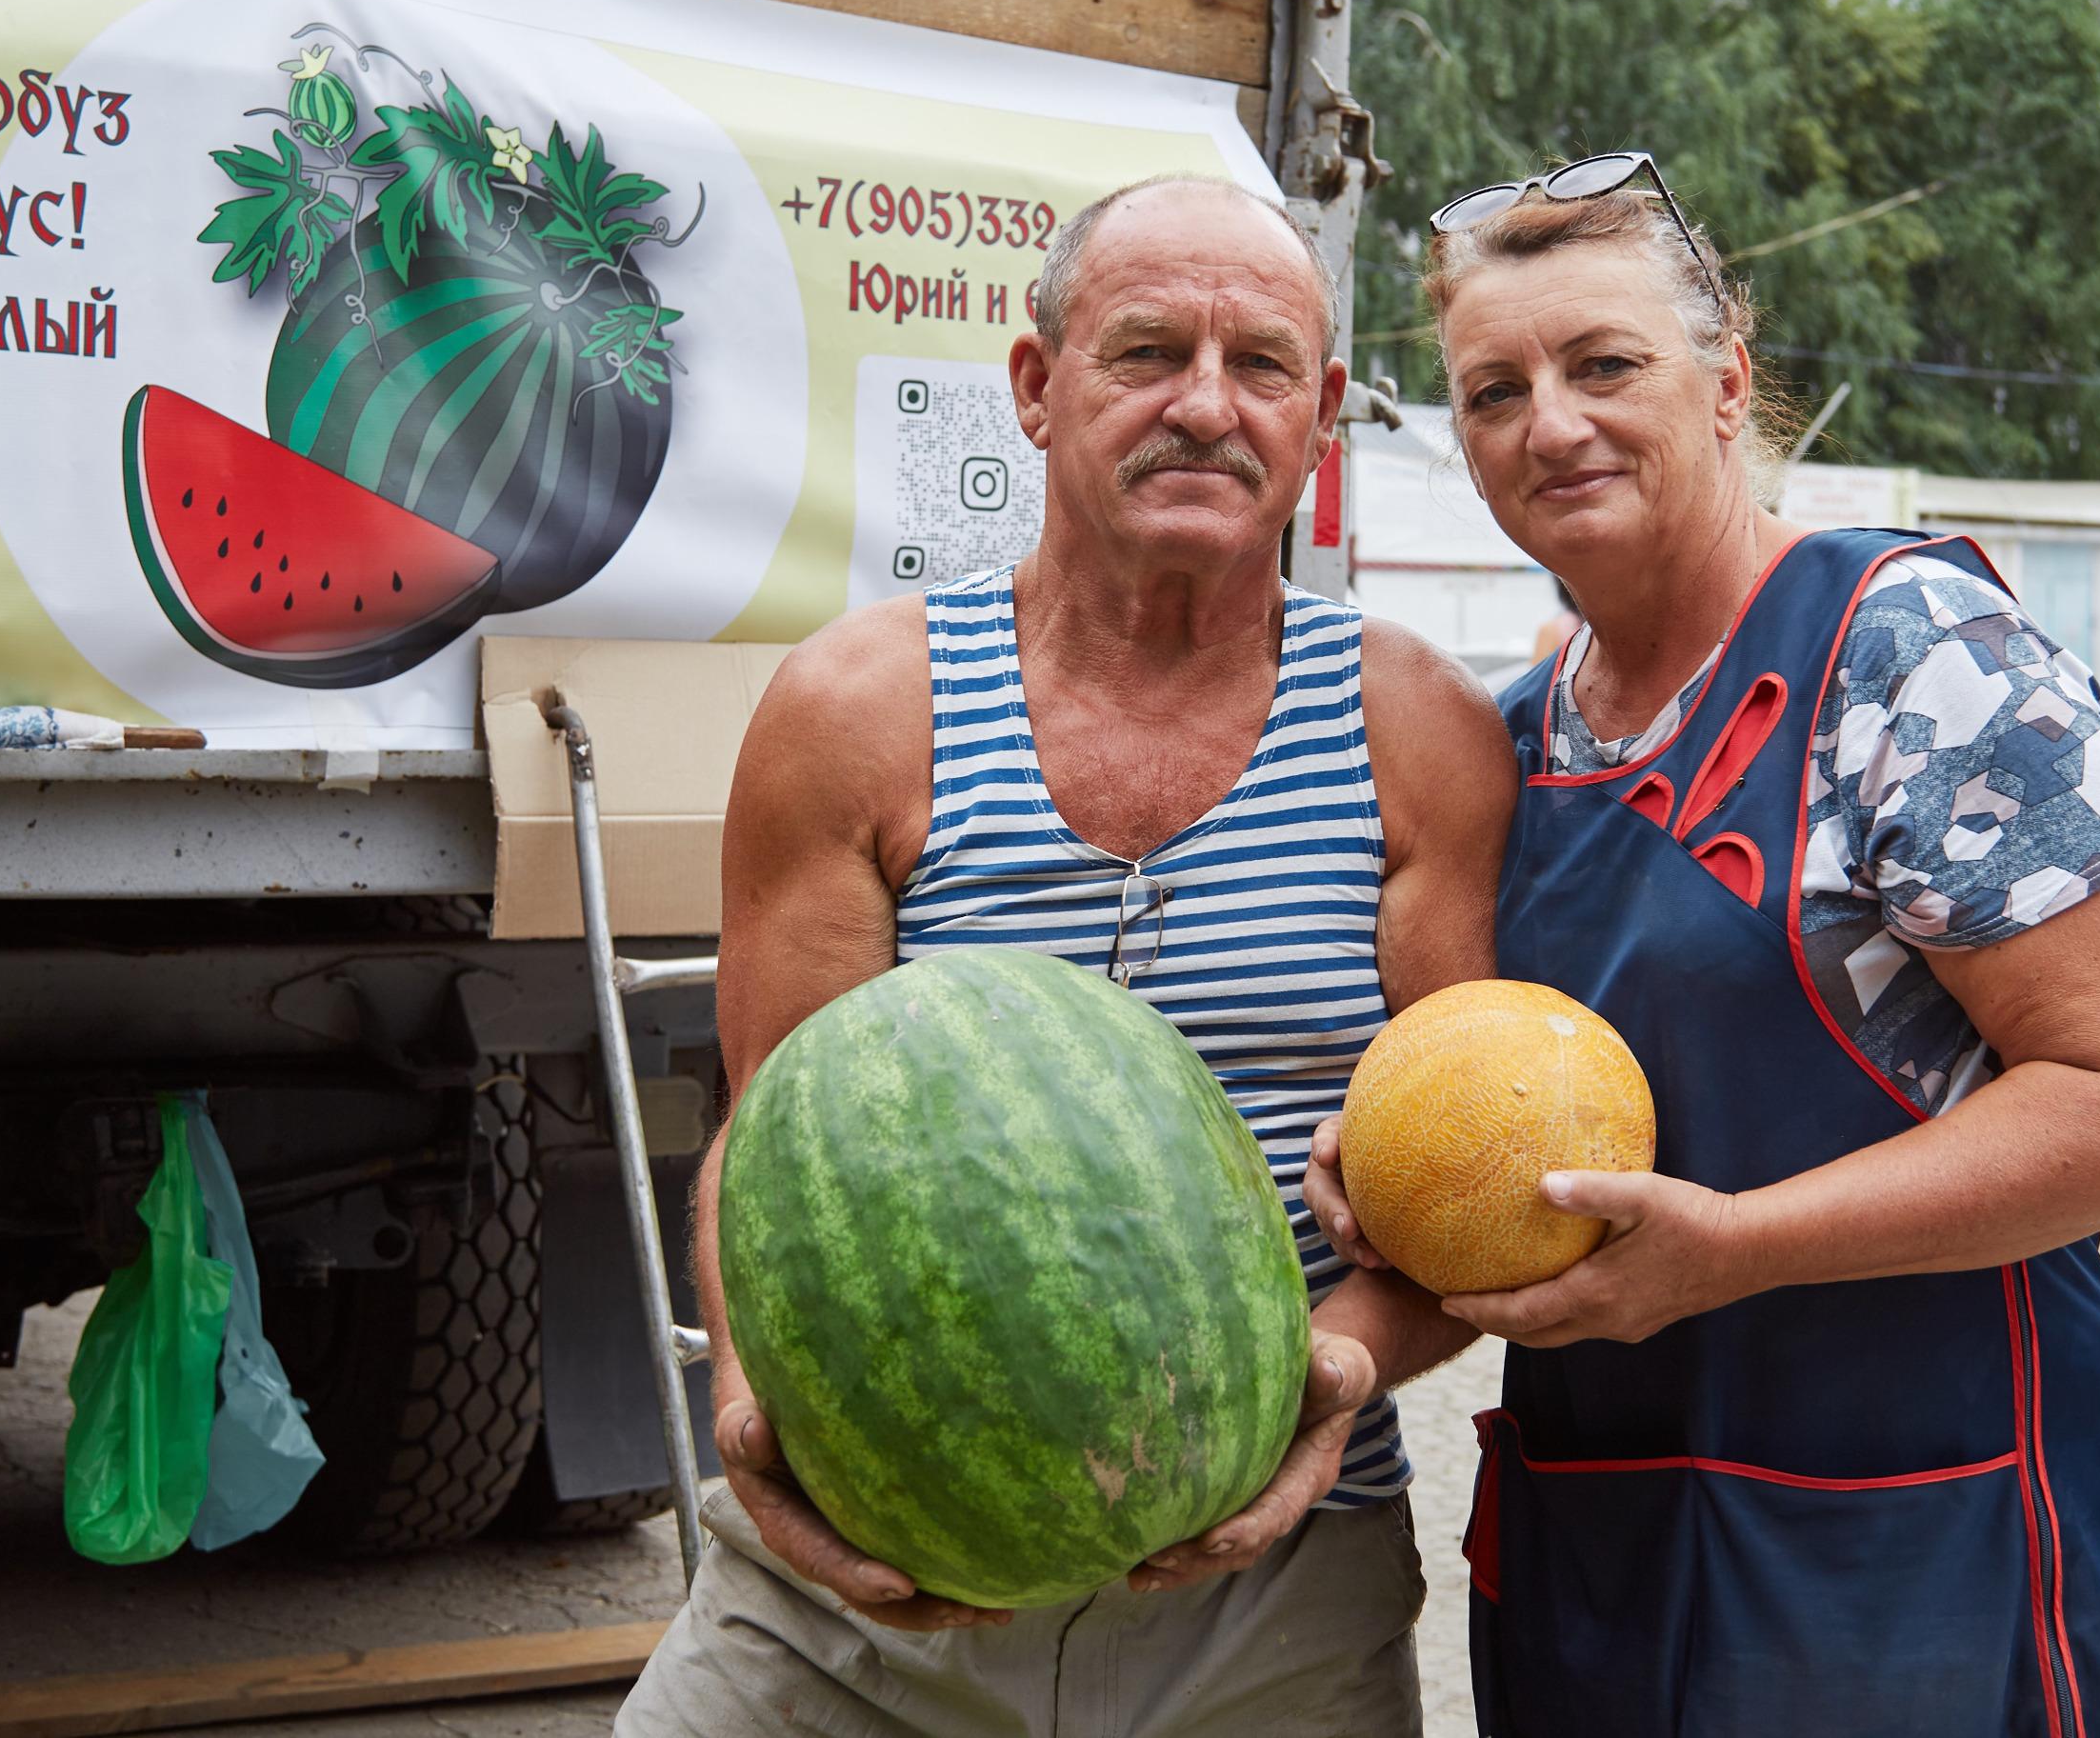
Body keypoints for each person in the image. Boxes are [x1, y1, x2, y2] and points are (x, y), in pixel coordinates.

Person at [1306, 156, 2100, 1737]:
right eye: (1491, 388)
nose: (1550, 421)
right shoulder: (1508, 743)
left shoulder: (1909, 657)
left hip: (1911, 1539)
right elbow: (1499, 1097)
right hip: (1604, 1541)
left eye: (1604, 364)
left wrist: (1732, 1244)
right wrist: (1398, 1176)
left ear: (1724, 377)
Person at [620, 174, 1517, 1737]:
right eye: (1145, 350)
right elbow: (764, 1140)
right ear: (1035, 389)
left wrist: (1325, 1387)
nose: (1203, 406)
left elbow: (1457, 1212)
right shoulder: (862, 709)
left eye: (1260, 368)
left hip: (1272, 1597)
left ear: (1316, 421)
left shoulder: (1414, 734)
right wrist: (754, 1407)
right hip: (867, 1579)